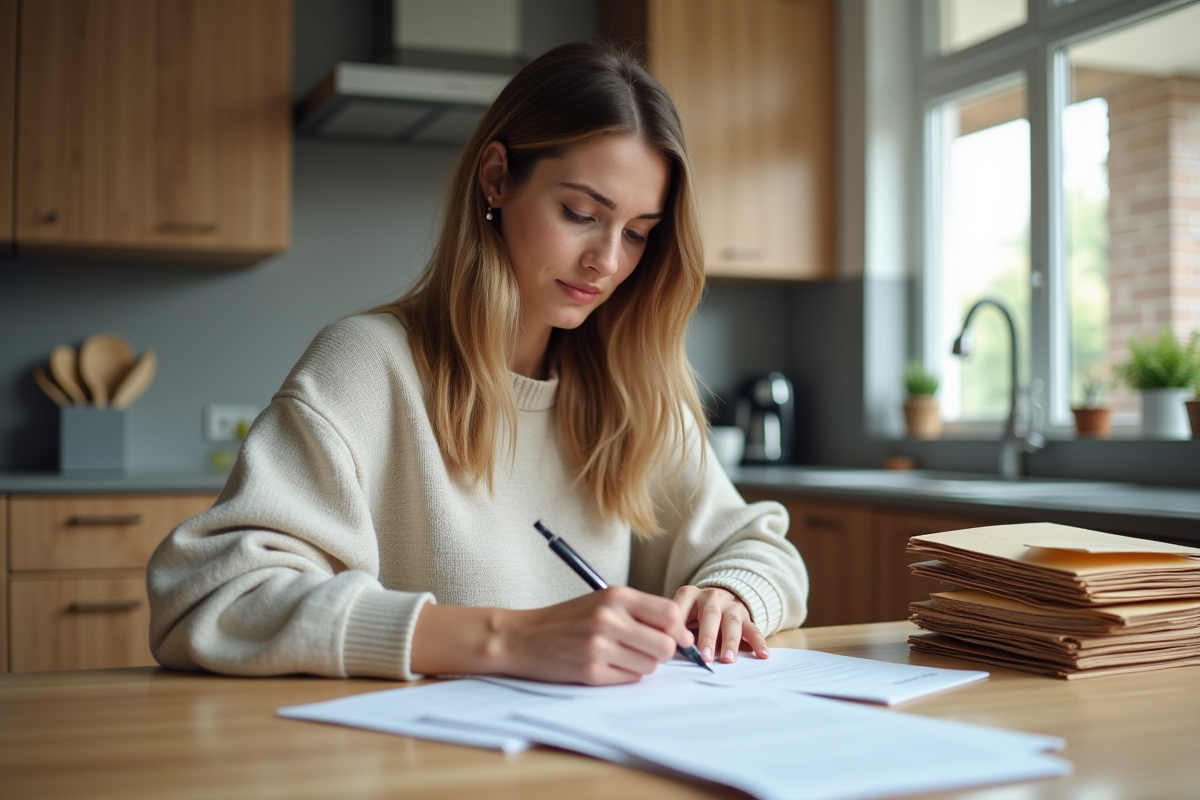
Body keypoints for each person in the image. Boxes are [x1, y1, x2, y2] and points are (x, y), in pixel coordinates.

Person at [147, 41, 808, 685]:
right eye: (581, 213)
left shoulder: (628, 392)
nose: (607, 261)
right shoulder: (370, 365)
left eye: (637, 233)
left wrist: (733, 594)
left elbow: (761, 550)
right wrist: (506, 640)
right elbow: (210, 598)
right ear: (496, 178)